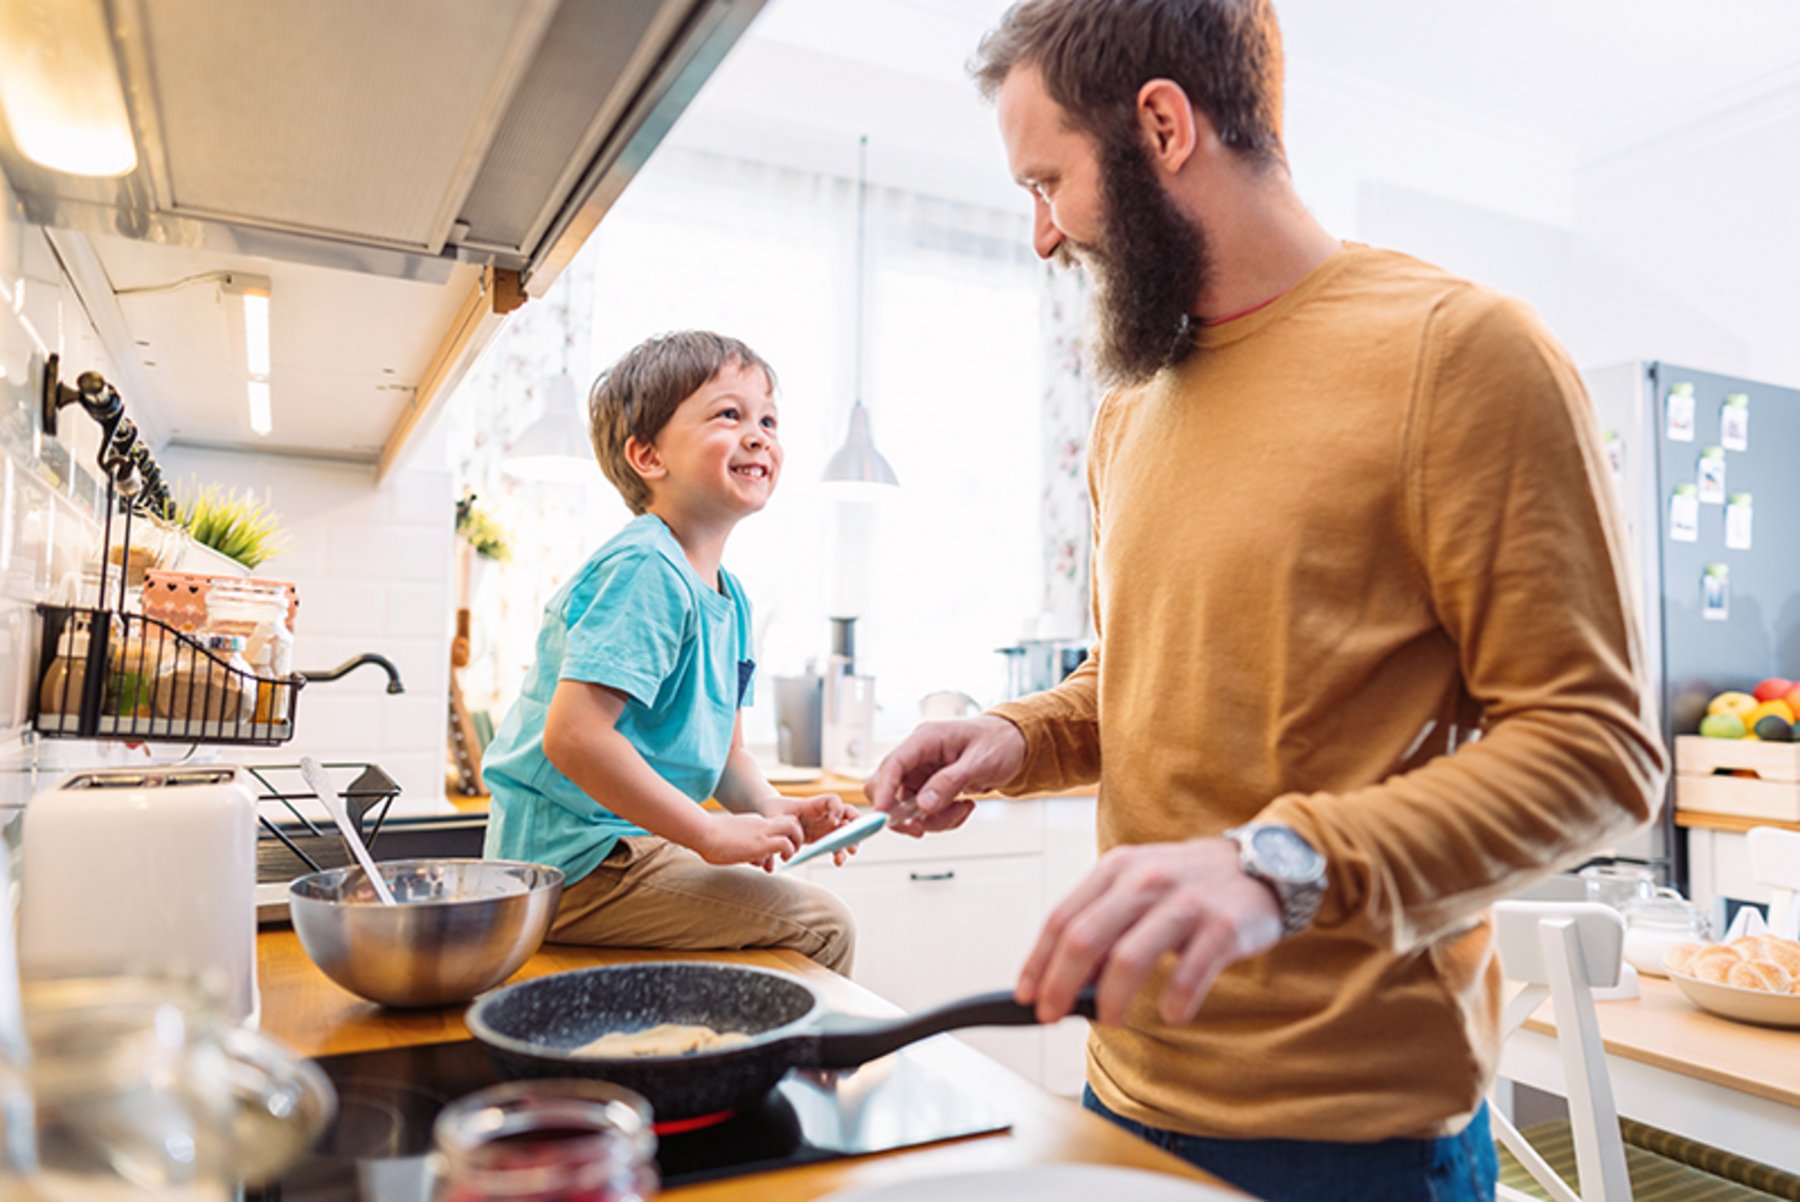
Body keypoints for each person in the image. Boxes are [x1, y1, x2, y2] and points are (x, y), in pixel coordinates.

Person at [866, 2, 1667, 1198]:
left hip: (1356, 1144)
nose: (1042, 236)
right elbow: (1140, 674)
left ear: (1162, 125)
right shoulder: (1130, 411)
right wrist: (1014, 736)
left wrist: (1279, 862)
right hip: (1123, 1092)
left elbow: (1598, 752)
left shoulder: (1461, 354)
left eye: (1049, 183)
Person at [484, 330, 856, 973]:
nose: (760, 434)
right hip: (570, 866)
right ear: (647, 456)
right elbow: (571, 737)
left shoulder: (730, 599)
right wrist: (709, 833)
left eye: (769, 419)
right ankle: (765, 1078)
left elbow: (727, 757)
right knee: (824, 926)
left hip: (616, 851)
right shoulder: (646, 565)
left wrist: (773, 809)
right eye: (729, 415)